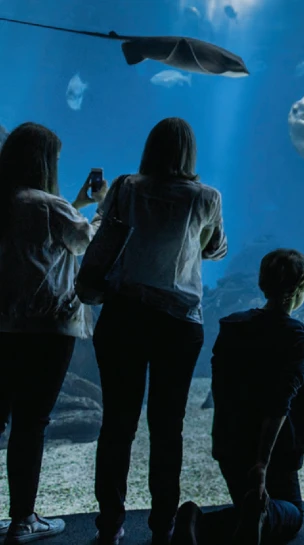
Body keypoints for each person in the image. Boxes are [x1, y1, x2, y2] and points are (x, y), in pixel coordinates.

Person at [91, 118, 228, 545]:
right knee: (167, 427)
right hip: (178, 321)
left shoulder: (126, 188)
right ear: (190, 152)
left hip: (122, 316)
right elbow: (214, 247)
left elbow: (105, 229)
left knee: (117, 423)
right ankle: (163, 525)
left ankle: (110, 524)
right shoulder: (206, 196)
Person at [0, 122, 108, 544]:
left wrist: (75, 201)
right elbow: (85, 242)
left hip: (3, 326)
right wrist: (101, 206)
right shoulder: (49, 205)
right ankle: (23, 520)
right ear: (44, 161)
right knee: (32, 422)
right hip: (47, 329)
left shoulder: (7, 201)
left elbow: (40, 231)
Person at [172, 249, 304, 545]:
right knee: (291, 514)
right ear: (299, 290)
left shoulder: (232, 326)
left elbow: (220, 388)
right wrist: (262, 463)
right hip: (275, 454)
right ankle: (249, 514)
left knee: (248, 510)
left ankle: (195, 521)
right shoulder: (296, 336)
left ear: (263, 283)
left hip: (230, 445)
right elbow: (280, 403)